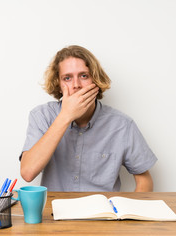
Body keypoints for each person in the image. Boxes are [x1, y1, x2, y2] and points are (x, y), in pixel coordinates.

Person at [19, 45, 157, 192]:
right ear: (59, 85)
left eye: (84, 76)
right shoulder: (42, 116)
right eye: (67, 78)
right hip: (55, 211)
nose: (77, 85)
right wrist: (66, 116)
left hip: (103, 212)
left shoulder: (122, 125)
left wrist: (132, 211)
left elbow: (144, 179)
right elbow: (28, 172)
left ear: (95, 80)